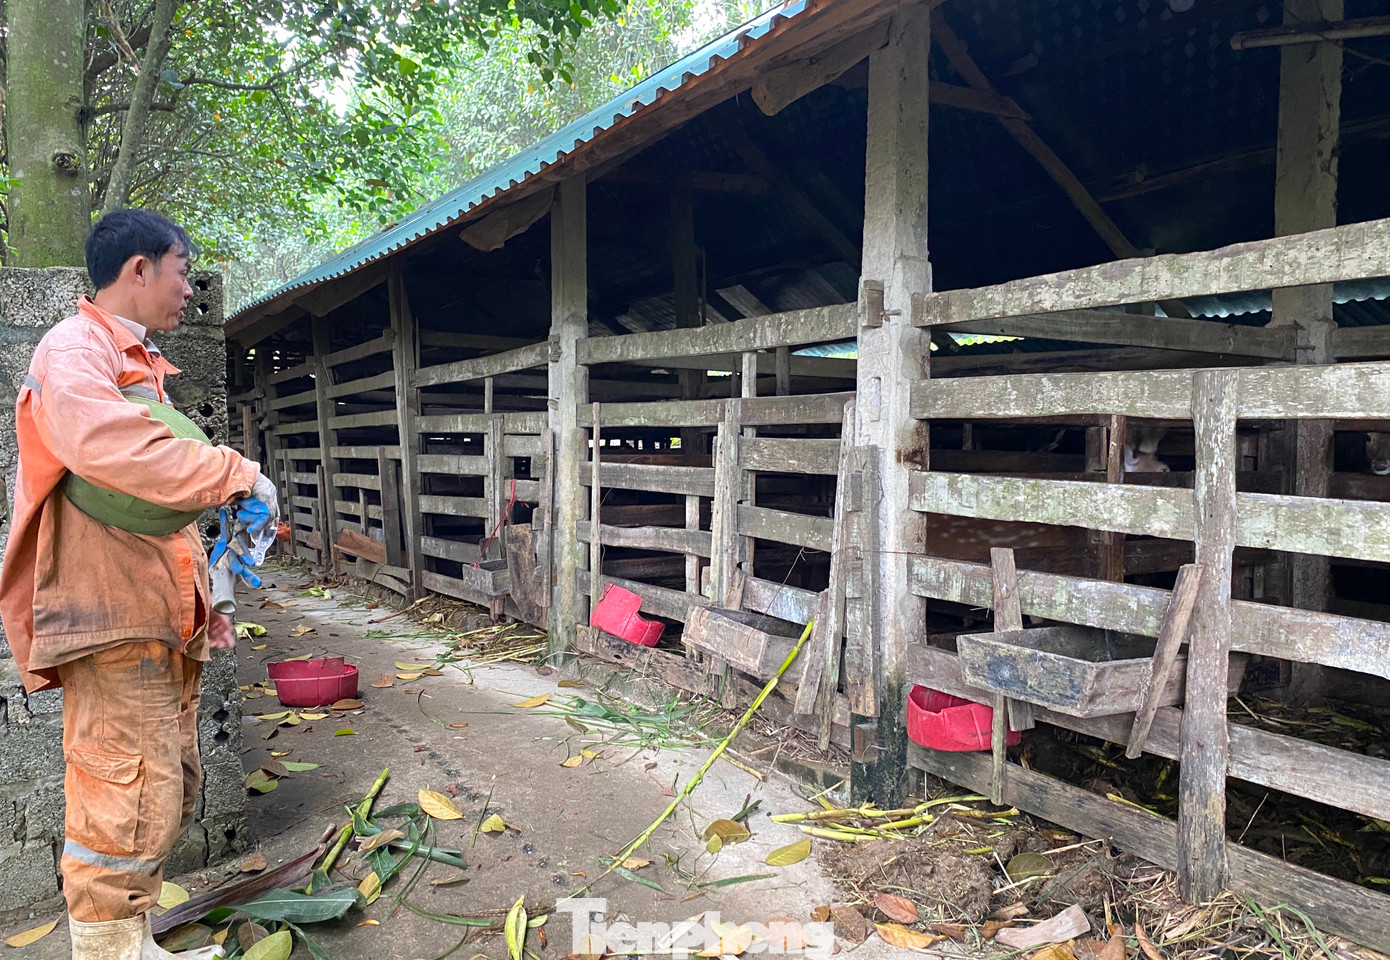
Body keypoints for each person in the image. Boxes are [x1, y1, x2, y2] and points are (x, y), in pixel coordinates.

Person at [0, 209, 276, 960]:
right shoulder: (73, 352)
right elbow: (112, 451)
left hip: (149, 615)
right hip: (108, 614)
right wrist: (236, 472)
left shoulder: (138, 364)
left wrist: (210, 602)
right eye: (183, 269)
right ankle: (108, 951)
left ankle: (126, 942)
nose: (190, 288)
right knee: (124, 792)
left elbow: (156, 513)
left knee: (157, 788)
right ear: (140, 269)